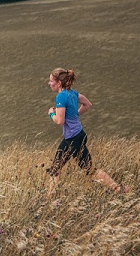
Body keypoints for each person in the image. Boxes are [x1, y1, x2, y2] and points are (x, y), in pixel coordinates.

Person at [46, 68, 127, 196]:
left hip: (73, 139)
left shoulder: (60, 97)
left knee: (90, 171)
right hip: (73, 136)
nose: (49, 83)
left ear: (59, 83)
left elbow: (60, 121)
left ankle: (118, 189)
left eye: (51, 81)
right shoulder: (72, 93)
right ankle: (49, 199)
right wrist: (75, 116)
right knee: (55, 168)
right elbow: (87, 104)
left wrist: (51, 114)